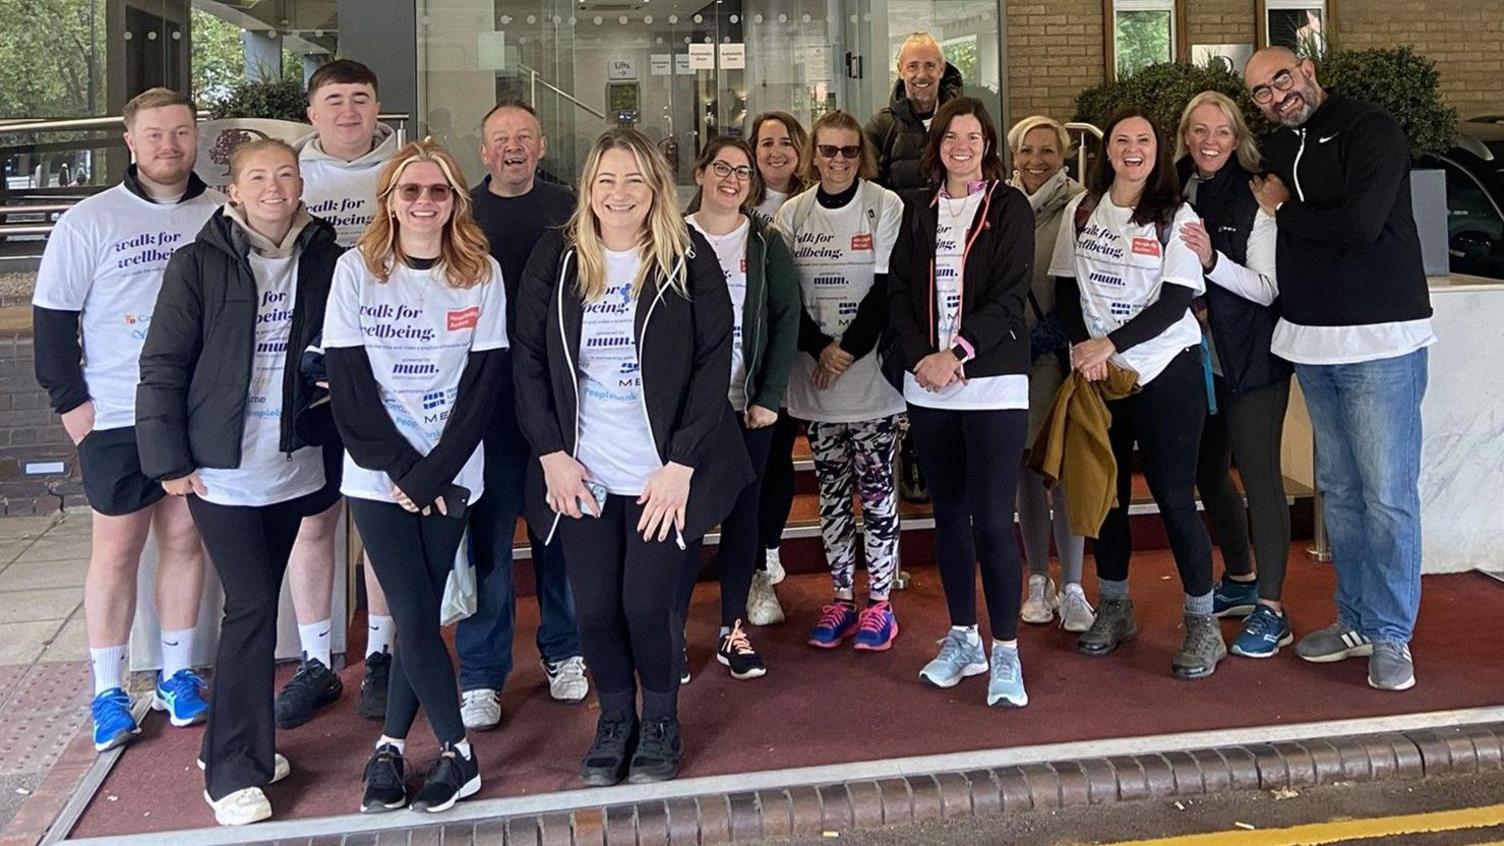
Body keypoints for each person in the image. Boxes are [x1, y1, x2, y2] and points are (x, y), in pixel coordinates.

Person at [513, 128, 750, 786]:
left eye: (634, 181)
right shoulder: (556, 258)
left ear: (655, 190)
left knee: (648, 605)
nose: (619, 194)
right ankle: (615, 718)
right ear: (588, 188)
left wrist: (681, 464)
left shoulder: (687, 256)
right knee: (594, 608)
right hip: (583, 472)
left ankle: (662, 721)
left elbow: (712, 365)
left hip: (661, 473)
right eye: (607, 180)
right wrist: (552, 453)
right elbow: (527, 361)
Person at [135, 139, 340, 826]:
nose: (274, 188)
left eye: (285, 174)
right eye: (259, 177)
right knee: (251, 606)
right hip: (221, 467)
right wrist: (167, 456)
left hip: (294, 461)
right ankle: (232, 773)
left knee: (255, 602)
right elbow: (162, 363)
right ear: (233, 191)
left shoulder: (325, 259)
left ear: (301, 182)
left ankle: (228, 738)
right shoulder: (198, 264)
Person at [32, 87, 219, 753]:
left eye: (181, 133)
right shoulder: (89, 221)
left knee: (184, 541)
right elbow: (53, 325)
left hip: (195, 416)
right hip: (114, 415)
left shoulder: (220, 213)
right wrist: (74, 410)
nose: (170, 146)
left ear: (196, 137)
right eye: (156, 134)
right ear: (131, 141)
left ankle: (176, 675)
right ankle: (108, 691)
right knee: (115, 552)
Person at [323, 141, 506, 813]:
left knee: (419, 617)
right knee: (410, 611)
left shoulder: (481, 273)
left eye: (438, 192)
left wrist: (433, 473)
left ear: (456, 201)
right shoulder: (356, 271)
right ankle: (460, 752)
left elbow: (484, 386)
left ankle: (390, 748)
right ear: (390, 202)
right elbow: (346, 384)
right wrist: (404, 469)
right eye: (411, 191)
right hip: (378, 476)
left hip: (451, 473)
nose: (424, 202)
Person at [1244, 47, 1433, 690]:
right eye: (1262, 93)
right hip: (1313, 344)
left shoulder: (1370, 129)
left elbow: (1359, 225)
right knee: (1344, 495)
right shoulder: (1274, 148)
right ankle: (1355, 618)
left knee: (1386, 496)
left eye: (1281, 80)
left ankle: (1391, 634)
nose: (1275, 95)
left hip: (1381, 340)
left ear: (1306, 68)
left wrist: (1284, 209)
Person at [1047, 108, 1226, 680]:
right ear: (1108, 152)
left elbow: (1176, 301)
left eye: (1143, 140)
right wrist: (1084, 347)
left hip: (1164, 373)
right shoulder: (1081, 211)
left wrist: (1109, 344)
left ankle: (1203, 624)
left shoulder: (1176, 216)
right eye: (1121, 139)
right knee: (1107, 497)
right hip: (1101, 377)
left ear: (1157, 150)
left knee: (1174, 496)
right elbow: (1064, 288)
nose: (1131, 149)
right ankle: (1116, 607)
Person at [889, 98, 1034, 705]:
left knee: (994, 519)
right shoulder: (917, 208)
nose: (962, 145)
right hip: (929, 386)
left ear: (988, 144)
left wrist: (958, 353)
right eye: (952, 135)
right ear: (938, 143)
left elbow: (1009, 297)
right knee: (947, 514)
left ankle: (1006, 651)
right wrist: (923, 356)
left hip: (992, 384)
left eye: (973, 136)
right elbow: (897, 291)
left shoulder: (1009, 206)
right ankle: (962, 638)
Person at [278, 58, 403, 728]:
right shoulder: (287, 176)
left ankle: (381, 654)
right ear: (312, 111)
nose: (349, 111)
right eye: (335, 100)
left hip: (395, 375)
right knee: (315, 519)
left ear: (377, 105)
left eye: (361, 98)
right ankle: (316, 661)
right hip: (312, 377)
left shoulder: (408, 168)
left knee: (381, 517)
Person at [458, 99, 587, 731]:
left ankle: (565, 651)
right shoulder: (461, 213)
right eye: (500, 138)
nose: (513, 147)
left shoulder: (570, 209)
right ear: (483, 153)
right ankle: (482, 674)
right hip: (484, 410)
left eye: (524, 137)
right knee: (488, 546)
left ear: (540, 147)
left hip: (558, 408)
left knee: (557, 536)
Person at [775, 111, 906, 652]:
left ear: (862, 156)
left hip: (870, 380)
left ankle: (880, 603)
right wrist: (819, 350)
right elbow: (786, 294)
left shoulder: (884, 205)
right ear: (814, 155)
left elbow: (887, 289)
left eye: (848, 152)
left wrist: (847, 350)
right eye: (828, 151)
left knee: (876, 494)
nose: (837, 161)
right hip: (816, 379)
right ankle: (840, 598)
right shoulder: (792, 213)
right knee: (831, 497)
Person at [1173, 91, 1296, 659]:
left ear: (1237, 136)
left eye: (1221, 131)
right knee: (1207, 469)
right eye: (1199, 131)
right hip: (1201, 360)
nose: (1210, 142)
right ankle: (1243, 580)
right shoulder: (1178, 184)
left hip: (1253, 361)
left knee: (1260, 477)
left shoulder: (1254, 192)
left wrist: (1211, 263)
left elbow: (1269, 289)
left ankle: (1272, 609)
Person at [676, 137, 799, 680]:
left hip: (746, 406)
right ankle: (672, 634)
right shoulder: (671, 238)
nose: (731, 180)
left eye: (743, 173)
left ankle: (732, 629)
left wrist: (769, 397)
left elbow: (784, 319)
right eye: (721, 168)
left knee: (743, 518)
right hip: (685, 412)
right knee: (683, 523)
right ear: (700, 173)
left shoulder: (768, 243)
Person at [1005, 115, 1092, 632]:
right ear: (1013, 156)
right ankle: (1039, 578)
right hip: (1008, 357)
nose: (1037, 160)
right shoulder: (996, 202)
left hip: (1061, 354)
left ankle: (1076, 584)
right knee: (1023, 467)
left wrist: (1055, 336)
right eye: (1027, 151)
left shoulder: (1083, 205)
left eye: (1048, 151)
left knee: (1065, 468)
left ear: (1064, 156)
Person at [747, 111, 810, 627]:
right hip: (744, 362)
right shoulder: (729, 203)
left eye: (785, 143)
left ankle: (768, 551)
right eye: (765, 143)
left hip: (797, 357)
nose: (775, 152)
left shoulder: (814, 203)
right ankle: (748, 570)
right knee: (752, 466)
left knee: (779, 460)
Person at [863, 32, 964, 192]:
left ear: (942, 70)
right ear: (900, 70)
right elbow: (868, 191)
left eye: (930, 65)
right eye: (913, 66)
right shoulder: (881, 127)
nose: (922, 74)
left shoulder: (965, 123)